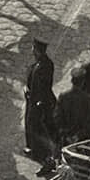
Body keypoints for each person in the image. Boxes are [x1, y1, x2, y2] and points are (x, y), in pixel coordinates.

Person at [24, 38, 59, 171]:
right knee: (32, 129)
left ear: (38, 51)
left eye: (33, 48)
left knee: (37, 131)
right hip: (38, 101)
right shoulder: (46, 63)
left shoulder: (40, 68)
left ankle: (45, 161)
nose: (32, 50)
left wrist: (29, 93)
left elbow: (39, 89)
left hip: (38, 104)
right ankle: (34, 150)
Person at [55, 68, 90, 147]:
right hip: (83, 142)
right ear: (83, 82)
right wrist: (78, 136)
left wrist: (66, 135)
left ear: (72, 81)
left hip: (65, 141)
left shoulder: (63, 97)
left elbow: (57, 118)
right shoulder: (88, 99)